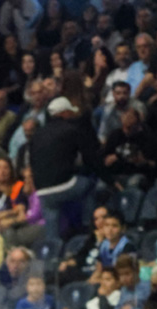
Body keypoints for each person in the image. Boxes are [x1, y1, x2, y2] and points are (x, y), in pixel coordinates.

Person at [32, 96, 101, 240]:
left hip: (42, 190)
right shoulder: (72, 129)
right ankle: (89, 226)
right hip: (65, 184)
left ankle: (53, 253)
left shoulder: (37, 134)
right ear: (63, 113)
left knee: (52, 232)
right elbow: (90, 158)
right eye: (70, 111)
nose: (72, 114)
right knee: (89, 185)